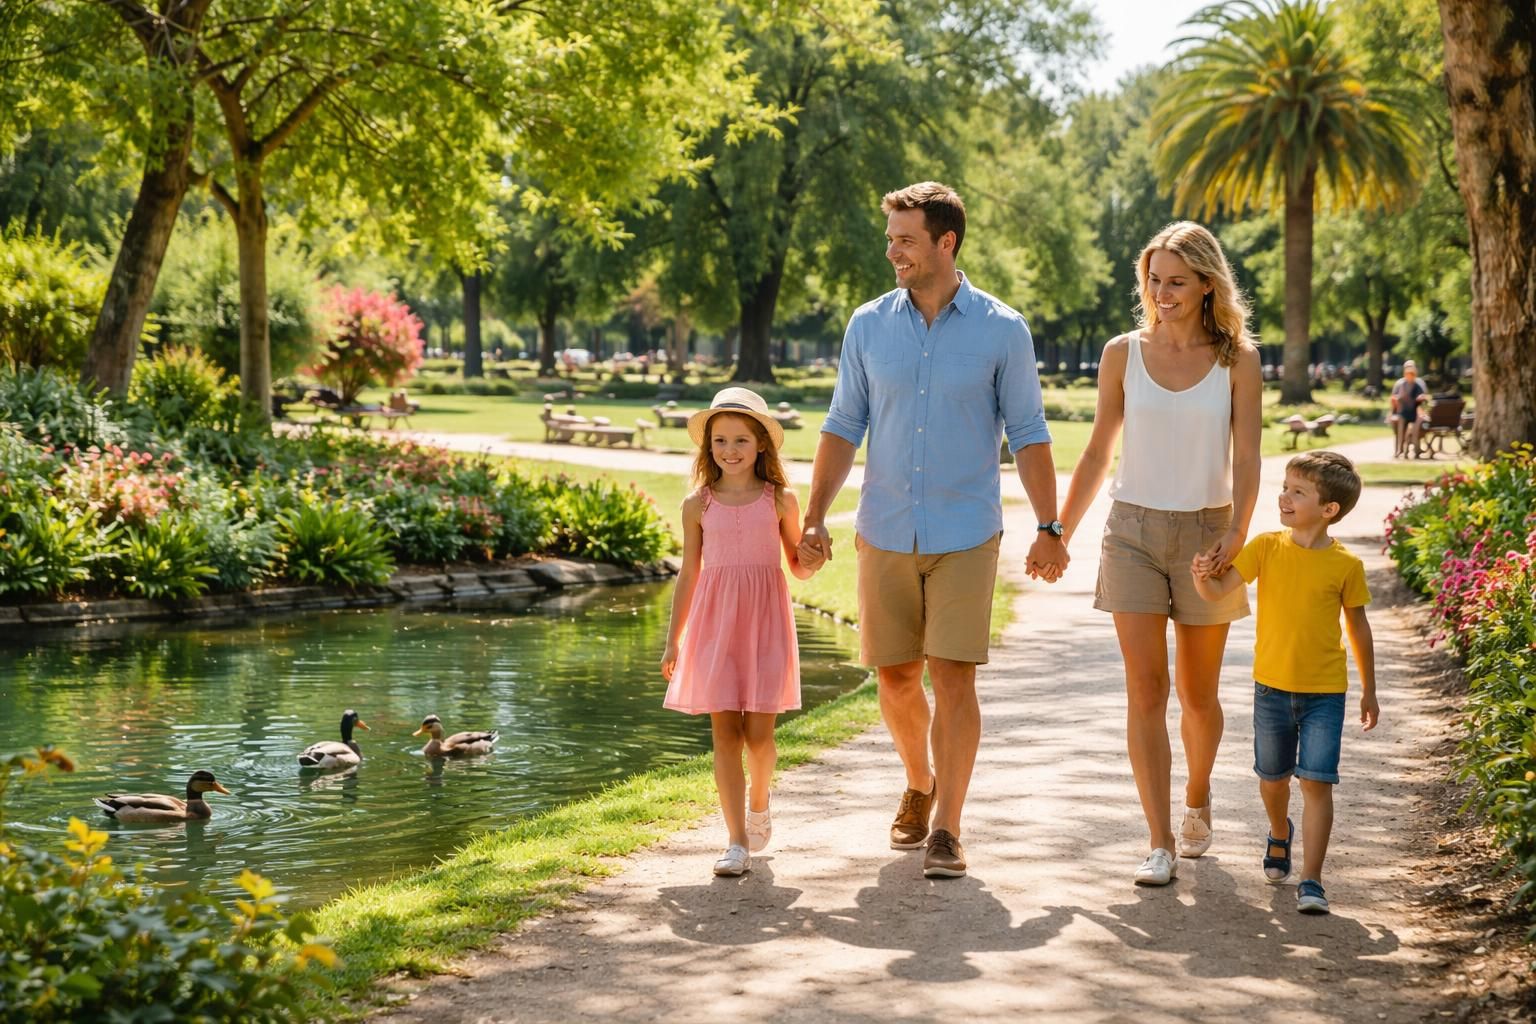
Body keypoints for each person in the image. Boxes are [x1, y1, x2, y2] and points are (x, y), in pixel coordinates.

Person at [797, 181, 1067, 881]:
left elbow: (1029, 432)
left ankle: (948, 827)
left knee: (953, 677)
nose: (894, 252)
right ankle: (920, 781)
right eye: (890, 239)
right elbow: (843, 424)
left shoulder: (1002, 329)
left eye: (906, 240)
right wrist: (814, 514)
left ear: (946, 242)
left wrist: (1049, 525)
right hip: (885, 526)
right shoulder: (868, 325)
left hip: (965, 532)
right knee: (894, 680)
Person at [1057, 221, 1262, 886]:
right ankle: (1159, 840)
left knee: (1198, 696)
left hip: (1209, 535)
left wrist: (1237, 534)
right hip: (1133, 534)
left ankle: (1197, 796)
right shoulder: (1122, 353)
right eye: (1154, 280)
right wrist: (1058, 529)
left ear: (1206, 284)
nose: (1162, 293)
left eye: (1177, 281)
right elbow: (1097, 451)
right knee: (1146, 689)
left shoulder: (1238, 360)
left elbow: (1248, 457)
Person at [1191, 451, 1378, 914]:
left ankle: (1312, 880)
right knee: (1273, 780)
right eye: (1285, 487)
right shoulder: (1266, 548)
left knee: (1317, 783)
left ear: (1329, 509)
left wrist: (1369, 690)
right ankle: (1279, 831)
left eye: (1298, 492)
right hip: (1271, 689)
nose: (1284, 497)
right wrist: (1200, 578)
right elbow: (1218, 591)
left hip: (1325, 694)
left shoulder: (1346, 565)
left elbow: (1358, 628)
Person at [661, 387, 819, 877]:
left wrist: (814, 557)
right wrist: (673, 640)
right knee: (725, 736)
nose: (729, 451)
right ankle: (735, 842)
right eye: (720, 441)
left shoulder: (780, 500)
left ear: (761, 445)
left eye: (741, 441)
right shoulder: (697, 504)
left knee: (759, 739)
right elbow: (689, 573)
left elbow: (799, 567)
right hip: (714, 626)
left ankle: (760, 798)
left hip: (765, 624)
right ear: (708, 447)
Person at [1389, 360, 1427, 458]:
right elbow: (1394, 399)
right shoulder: (1400, 384)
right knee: (1400, 427)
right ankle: (1399, 450)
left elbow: (1423, 398)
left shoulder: (1419, 383)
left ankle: (1415, 449)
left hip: (1415, 412)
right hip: (1403, 411)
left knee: (1415, 429)